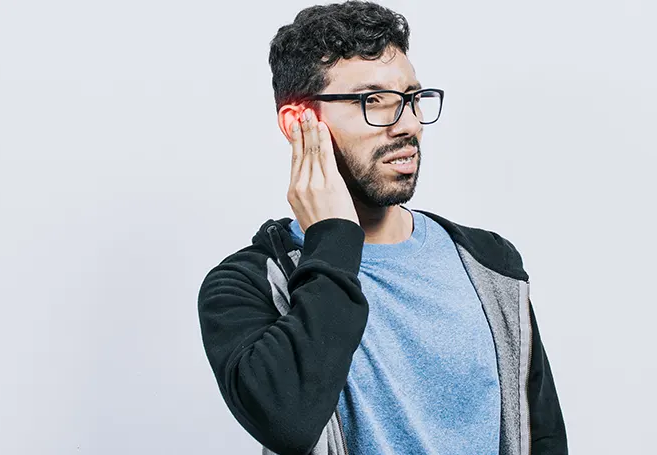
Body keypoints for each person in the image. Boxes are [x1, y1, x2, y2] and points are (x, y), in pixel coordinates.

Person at [197, 1, 567, 454]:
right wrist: (332, 235)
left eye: (411, 99)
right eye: (374, 102)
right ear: (299, 123)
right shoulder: (249, 286)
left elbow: (543, 436)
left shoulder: (491, 266)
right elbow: (288, 422)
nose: (408, 125)